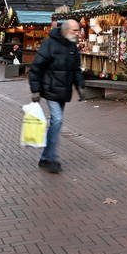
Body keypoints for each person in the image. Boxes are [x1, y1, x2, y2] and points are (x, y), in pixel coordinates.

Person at [28, 19, 86, 174]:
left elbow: (75, 69)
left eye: (78, 30)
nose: (77, 33)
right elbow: (36, 67)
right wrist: (35, 89)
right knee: (58, 120)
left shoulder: (72, 46)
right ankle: (52, 158)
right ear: (66, 30)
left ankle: (45, 157)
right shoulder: (49, 44)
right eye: (75, 30)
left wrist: (80, 85)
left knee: (56, 122)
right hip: (50, 89)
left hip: (64, 91)